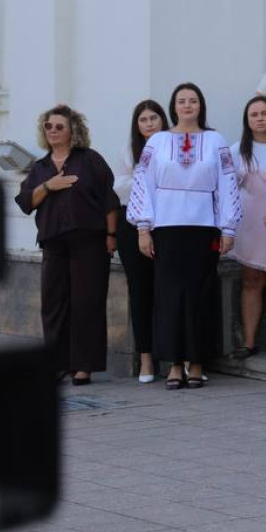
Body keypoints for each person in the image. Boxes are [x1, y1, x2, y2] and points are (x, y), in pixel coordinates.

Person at [128, 83, 241, 391]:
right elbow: (143, 182)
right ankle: (175, 363)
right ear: (174, 106)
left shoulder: (216, 140)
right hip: (166, 228)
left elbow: (228, 182)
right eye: (182, 101)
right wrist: (143, 228)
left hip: (203, 227)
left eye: (193, 100)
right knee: (169, 296)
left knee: (199, 294)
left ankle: (197, 362)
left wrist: (228, 227)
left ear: (200, 105)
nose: (187, 105)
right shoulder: (158, 141)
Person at [16, 105, 117, 386]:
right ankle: (56, 364)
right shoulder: (41, 167)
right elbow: (25, 201)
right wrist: (49, 185)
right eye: (48, 126)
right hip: (53, 242)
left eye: (59, 126)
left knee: (87, 303)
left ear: (73, 130)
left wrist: (111, 235)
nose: (53, 131)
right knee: (53, 304)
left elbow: (109, 200)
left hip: (90, 241)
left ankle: (83, 366)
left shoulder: (90, 160)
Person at [228, 96, 266, 360]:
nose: (260, 118)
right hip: (249, 220)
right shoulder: (237, 150)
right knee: (251, 280)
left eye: (265, 113)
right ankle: (249, 341)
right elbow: (228, 187)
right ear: (247, 120)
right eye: (254, 114)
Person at [114, 99, 167, 383]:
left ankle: (174, 356)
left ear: (162, 120)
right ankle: (146, 358)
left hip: (167, 225)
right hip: (132, 226)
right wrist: (146, 178)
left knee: (169, 291)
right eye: (143, 119)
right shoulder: (129, 151)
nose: (149, 124)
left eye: (153, 118)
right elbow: (120, 189)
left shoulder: (174, 145)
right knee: (140, 291)